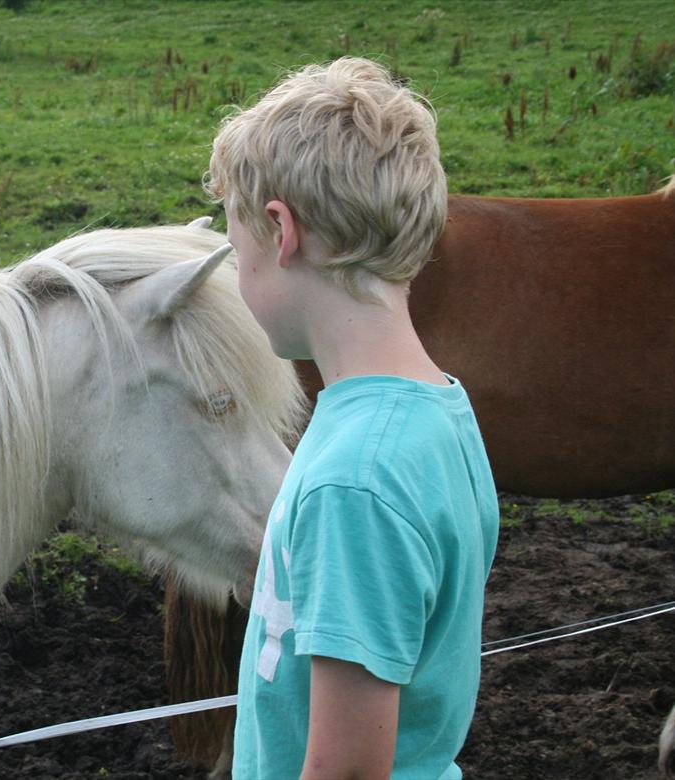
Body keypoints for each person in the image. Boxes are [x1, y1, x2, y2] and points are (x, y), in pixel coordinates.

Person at [205, 57, 499, 779]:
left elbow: (347, 771)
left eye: (235, 248)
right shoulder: (438, 413)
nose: (238, 275)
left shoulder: (355, 482)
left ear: (281, 232)